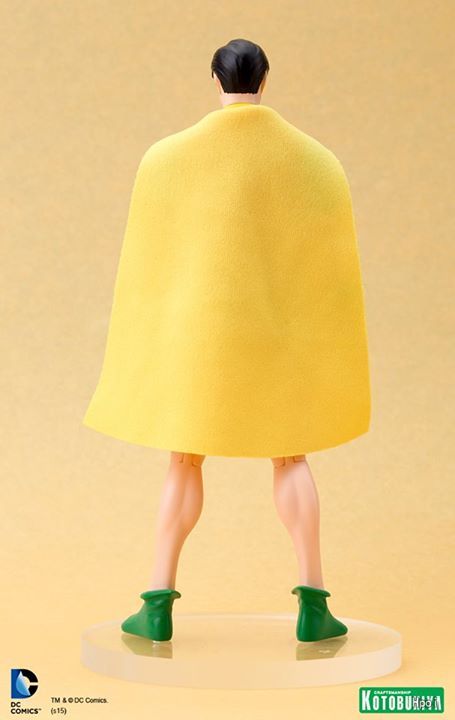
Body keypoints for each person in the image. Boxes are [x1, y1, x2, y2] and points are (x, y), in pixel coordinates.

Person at [83, 38, 371, 643]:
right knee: (291, 459)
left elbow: (147, 268)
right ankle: (314, 605)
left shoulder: (165, 159)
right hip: (280, 340)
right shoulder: (316, 161)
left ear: (214, 80)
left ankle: (156, 605)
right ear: (265, 81)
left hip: (198, 343)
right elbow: (330, 272)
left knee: (183, 460)